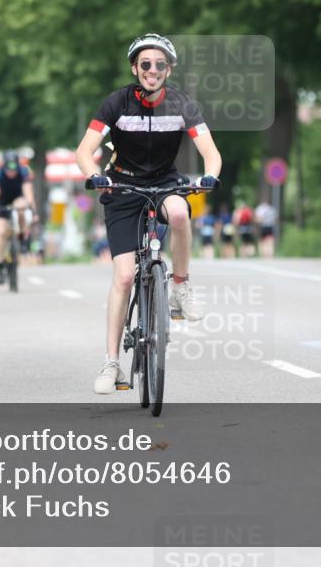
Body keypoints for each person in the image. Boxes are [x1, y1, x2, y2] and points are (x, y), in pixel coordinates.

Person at [75, 33, 222, 394]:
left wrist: (209, 176)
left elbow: (211, 153)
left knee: (180, 214)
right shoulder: (116, 103)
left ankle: (180, 286)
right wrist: (95, 176)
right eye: (145, 64)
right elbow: (84, 151)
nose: (152, 70)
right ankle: (112, 363)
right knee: (125, 276)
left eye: (160, 64)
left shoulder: (182, 104)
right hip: (122, 185)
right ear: (135, 68)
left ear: (168, 70)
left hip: (164, 182)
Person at [0, 149, 35, 285]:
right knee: (1, 232)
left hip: (18, 200)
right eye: (8, 169)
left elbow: (28, 193)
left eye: (14, 169)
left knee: (21, 207)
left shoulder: (23, 172)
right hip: (1, 204)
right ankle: (0, 265)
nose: (11, 172)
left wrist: (31, 208)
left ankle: (22, 238)